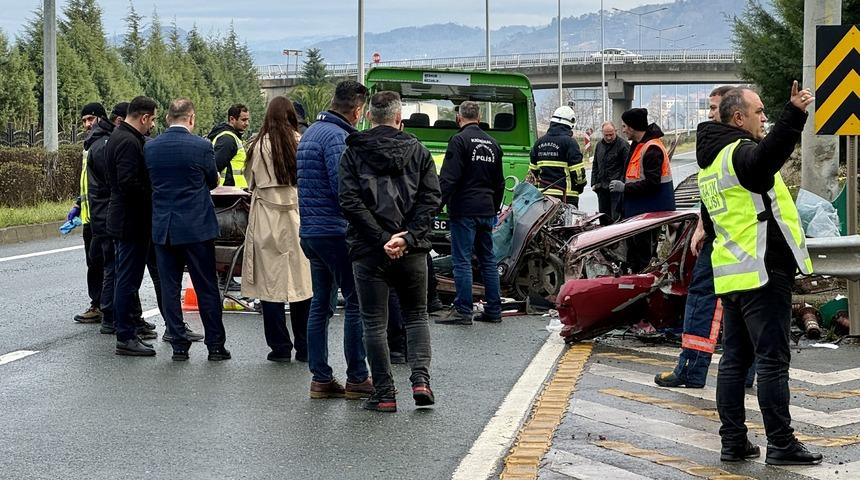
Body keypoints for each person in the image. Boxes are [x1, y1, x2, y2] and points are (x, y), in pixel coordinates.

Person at [697, 83, 821, 465]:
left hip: (733, 274)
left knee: (734, 360)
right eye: (759, 112)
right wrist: (794, 114)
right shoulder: (740, 153)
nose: (764, 118)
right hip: (762, 271)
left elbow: (711, 223)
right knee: (771, 360)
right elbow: (767, 159)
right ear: (739, 118)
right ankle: (781, 444)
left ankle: (733, 441)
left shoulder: (711, 164)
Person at [339, 90, 441, 412]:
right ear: (399, 118)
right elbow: (430, 199)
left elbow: (349, 201)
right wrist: (407, 238)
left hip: (369, 250)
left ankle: (384, 393)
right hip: (412, 251)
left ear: (370, 116)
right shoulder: (420, 153)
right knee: (416, 315)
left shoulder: (353, 153)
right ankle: (421, 379)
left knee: (373, 322)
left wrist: (381, 237)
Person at [656, 86, 739, 389]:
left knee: (706, 301)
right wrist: (703, 224)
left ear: (734, 113)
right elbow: (714, 192)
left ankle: (692, 369)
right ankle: (735, 371)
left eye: (716, 108)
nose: (711, 114)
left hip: (731, 240)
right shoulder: (734, 147)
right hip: (729, 237)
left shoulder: (731, 149)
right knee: (739, 305)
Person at [297, 80, 372, 399]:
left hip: (311, 231)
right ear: (357, 110)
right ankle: (357, 376)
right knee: (355, 301)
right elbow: (343, 188)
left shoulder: (312, 132)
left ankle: (321, 377)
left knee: (320, 304)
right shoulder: (338, 138)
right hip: (336, 231)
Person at [144, 98, 230, 362]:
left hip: (164, 228)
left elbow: (150, 181)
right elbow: (213, 179)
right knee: (206, 287)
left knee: (170, 287)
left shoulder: (151, 147)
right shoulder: (202, 146)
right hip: (196, 228)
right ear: (190, 118)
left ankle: (179, 344)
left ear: (169, 118)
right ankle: (215, 346)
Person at [241, 96, 312, 363]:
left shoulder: (258, 145)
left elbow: (251, 180)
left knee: (270, 285)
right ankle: (305, 346)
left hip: (267, 216)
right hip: (297, 214)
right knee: (302, 282)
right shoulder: (301, 142)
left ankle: (279, 347)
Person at [436, 100, 504, 325]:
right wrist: (493, 208)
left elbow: (449, 179)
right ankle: (494, 310)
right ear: (480, 116)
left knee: (462, 260)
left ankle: (463, 310)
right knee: (488, 260)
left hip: (464, 209)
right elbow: (500, 183)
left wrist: (435, 206)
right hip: (486, 209)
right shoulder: (493, 143)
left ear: (459, 118)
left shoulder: (459, 140)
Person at [105, 96, 162, 356]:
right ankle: (125, 335)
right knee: (128, 280)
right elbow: (128, 183)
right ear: (145, 117)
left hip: (123, 218)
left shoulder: (118, 136)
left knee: (125, 278)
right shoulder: (128, 141)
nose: (152, 126)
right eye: (152, 120)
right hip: (131, 221)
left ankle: (127, 330)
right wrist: (152, 193)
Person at [612, 108, 676, 272]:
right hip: (638, 211)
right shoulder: (639, 145)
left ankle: (643, 283)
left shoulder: (651, 149)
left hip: (648, 212)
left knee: (643, 256)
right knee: (634, 254)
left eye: (625, 126)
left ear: (632, 127)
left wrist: (624, 188)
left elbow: (652, 183)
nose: (623, 130)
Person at [71, 102, 108, 324]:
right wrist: (77, 204)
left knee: (106, 263)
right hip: (89, 216)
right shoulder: (89, 145)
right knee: (94, 263)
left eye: (90, 119)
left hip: (101, 216)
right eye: (84, 120)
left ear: (101, 119)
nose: (87, 124)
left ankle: (106, 307)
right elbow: (89, 181)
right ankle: (97, 304)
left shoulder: (102, 144)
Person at [528, 106, 586, 207]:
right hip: (565, 196)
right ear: (570, 124)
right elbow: (578, 173)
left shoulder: (538, 143)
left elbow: (532, 174)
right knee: (568, 223)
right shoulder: (570, 143)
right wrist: (580, 186)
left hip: (543, 197)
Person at [590, 121, 629, 225]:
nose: (608, 137)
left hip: (616, 189)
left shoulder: (623, 146)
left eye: (611, 134)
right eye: (606, 135)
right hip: (602, 188)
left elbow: (627, 167)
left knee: (616, 218)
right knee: (603, 217)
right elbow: (595, 165)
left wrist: (622, 184)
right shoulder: (599, 145)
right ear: (602, 133)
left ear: (615, 131)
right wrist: (594, 183)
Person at [207, 104, 250, 187]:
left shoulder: (232, 137)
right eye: (243, 120)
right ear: (232, 119)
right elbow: (215, 166)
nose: (247, 123)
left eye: (248, 120)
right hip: (228, 192)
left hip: (231, 191)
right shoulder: (227, 139)